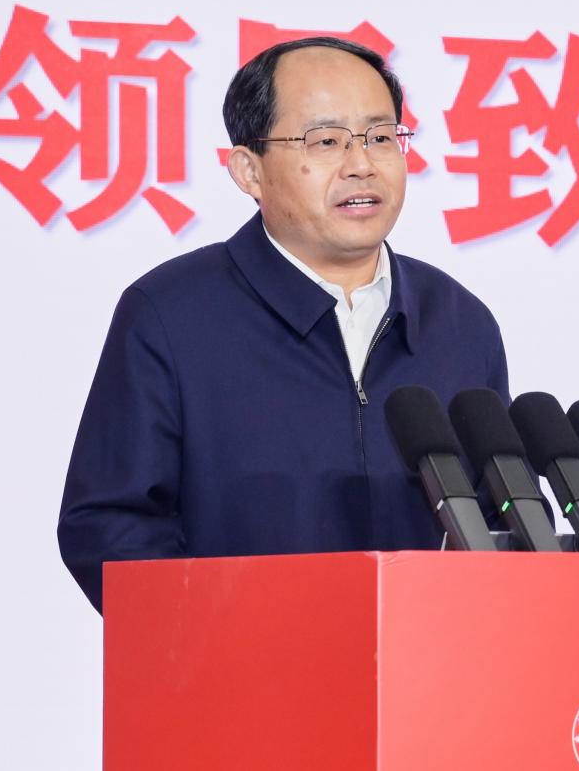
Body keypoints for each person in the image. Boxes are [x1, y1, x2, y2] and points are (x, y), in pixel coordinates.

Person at [58, 37, 509, 612]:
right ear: (248, 171)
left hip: (425, 663)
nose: (362, 165)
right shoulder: (171, 315)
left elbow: (497, 518)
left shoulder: (460, 323)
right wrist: (224, 634)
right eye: (326, 141)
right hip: (240, 663)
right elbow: (110, 527)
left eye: (379, 137)